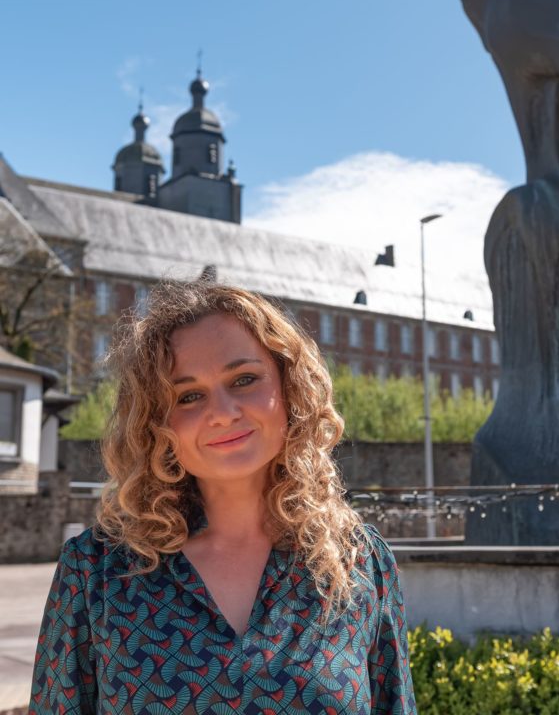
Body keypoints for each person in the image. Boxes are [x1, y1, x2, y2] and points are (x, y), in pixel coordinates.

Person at [30, 279, 417, 714]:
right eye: (189, 395)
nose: (222, 413)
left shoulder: (361, 564)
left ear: (292, 390)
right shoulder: (96, 572)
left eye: (244, 379)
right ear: (156, 423)